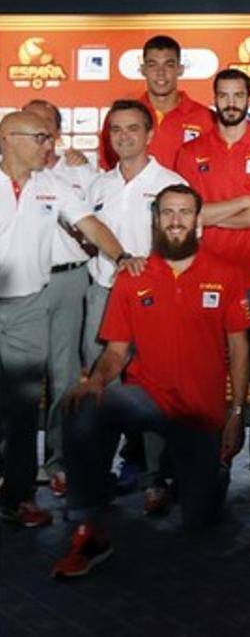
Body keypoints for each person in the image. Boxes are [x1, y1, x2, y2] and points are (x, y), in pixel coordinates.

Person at [53, 185, 250, 577]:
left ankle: (213, 471)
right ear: (156, 220)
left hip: (200, 411)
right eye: (167, 213)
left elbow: (240, 349)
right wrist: (95, 382)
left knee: (198, 520)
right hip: (147, 397)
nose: (175, 220)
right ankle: (89, 524)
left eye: (184, 213)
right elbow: (115, 352)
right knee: (81, 406)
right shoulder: (133, 276)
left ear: (198, 221)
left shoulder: (225, 275)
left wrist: (237, 413)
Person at [0, 111, 134, 528]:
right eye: (40, 137)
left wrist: (123, 256)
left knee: (23, 407)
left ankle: (16, 498)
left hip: (27, 308)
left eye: (50, 137)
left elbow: (90, 224)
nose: (49, 145)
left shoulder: (52, 186)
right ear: (8, 138)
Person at [175, 68, 250, 492]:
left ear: (249, 98)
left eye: (237, 95)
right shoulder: (191, 153)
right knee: (205, 377)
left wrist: (215, 212)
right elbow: (187, 215)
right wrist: (242, 199)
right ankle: (212, 467)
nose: (230, 102)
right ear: (215, 98)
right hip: (203, 280)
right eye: (223, 95)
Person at [86, 98, 189, 515]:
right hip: (103, 290)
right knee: (101, 385)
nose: (124, 136)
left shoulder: (170, 182)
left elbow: (182, 241)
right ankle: (96, 474)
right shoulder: (97, 185)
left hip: (154, 300)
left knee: (153, 388)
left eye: (132, 128)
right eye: (116, 130)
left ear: (149, 134)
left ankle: (155, 479)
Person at [23, 99, 101, 497]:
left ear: (57, 130)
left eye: (45, 122)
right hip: (19, 284)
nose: (37, 128)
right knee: (16, 378)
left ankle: (58, 461)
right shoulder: (10, 173)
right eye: (28, 120)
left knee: (65, 377)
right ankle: (14, 467)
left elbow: (100, 222)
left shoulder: (81, 171)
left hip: (68, 282)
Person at [99, 35, 214, 171]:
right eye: (152, 65)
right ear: (143, 70)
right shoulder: (121, 116)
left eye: (169, 65)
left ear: (180, 69)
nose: (160, 72)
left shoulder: (207, 118)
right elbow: (109, 168)